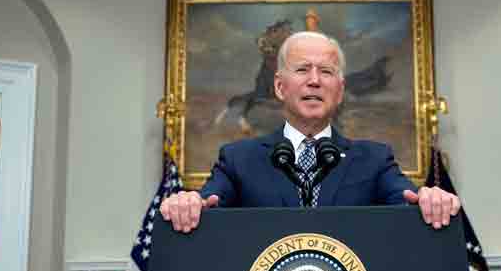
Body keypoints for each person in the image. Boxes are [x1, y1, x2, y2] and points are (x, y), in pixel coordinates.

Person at [160, 31, 460, 232]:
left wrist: (430, 199)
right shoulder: (238, 159)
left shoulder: (375, 160)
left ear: (340, 91)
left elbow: (406, 199)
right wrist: (187, 203)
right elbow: (207, 202)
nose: (314, 81)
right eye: (302, 69)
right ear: (279, 86)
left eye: (326, 72)